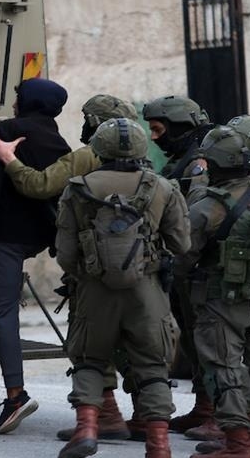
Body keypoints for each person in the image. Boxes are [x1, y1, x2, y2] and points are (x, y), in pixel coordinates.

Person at [0, 94, 139, 442]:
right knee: (137, 339)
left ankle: (104, 416)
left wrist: (8, 158)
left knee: (88, 340)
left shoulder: (87, 156)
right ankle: (146, 419)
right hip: (138, 267)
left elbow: (40, 185)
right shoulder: (145, 167)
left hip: (93, 265)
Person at [54, 118, 190, 458]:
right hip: (147, 292)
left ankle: (86, 429)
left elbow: (66, 255)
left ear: (99, 148)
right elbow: (181, 244)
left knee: (89, 360)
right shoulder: (163, 188)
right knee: (153, 366)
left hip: (94, 290)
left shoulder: (77, 187)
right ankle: (158, 445)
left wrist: (89, 273)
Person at [0, 77, 71, 434]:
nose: (15, 103)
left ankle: (16, 396)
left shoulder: (10, 130)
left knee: (5, 309)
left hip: (3, 235)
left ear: (29, 102)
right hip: (35, 236)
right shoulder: (59, 142)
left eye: (19, 97)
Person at [143, 95, 219, 440]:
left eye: (159, 130)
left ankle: (222, 414)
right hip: (184, 263)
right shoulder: (183, 160)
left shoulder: (200, 163)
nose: (154, 137)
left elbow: (199, 213)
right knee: (191, 338)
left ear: (179, 126)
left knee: (211, 342)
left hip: (200, 263)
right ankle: (205, 406)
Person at [173, 126, 250, 458]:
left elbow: (181, 255)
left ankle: (238, 444)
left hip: (220, 300)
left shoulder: (208, 206)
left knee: (223, 368)